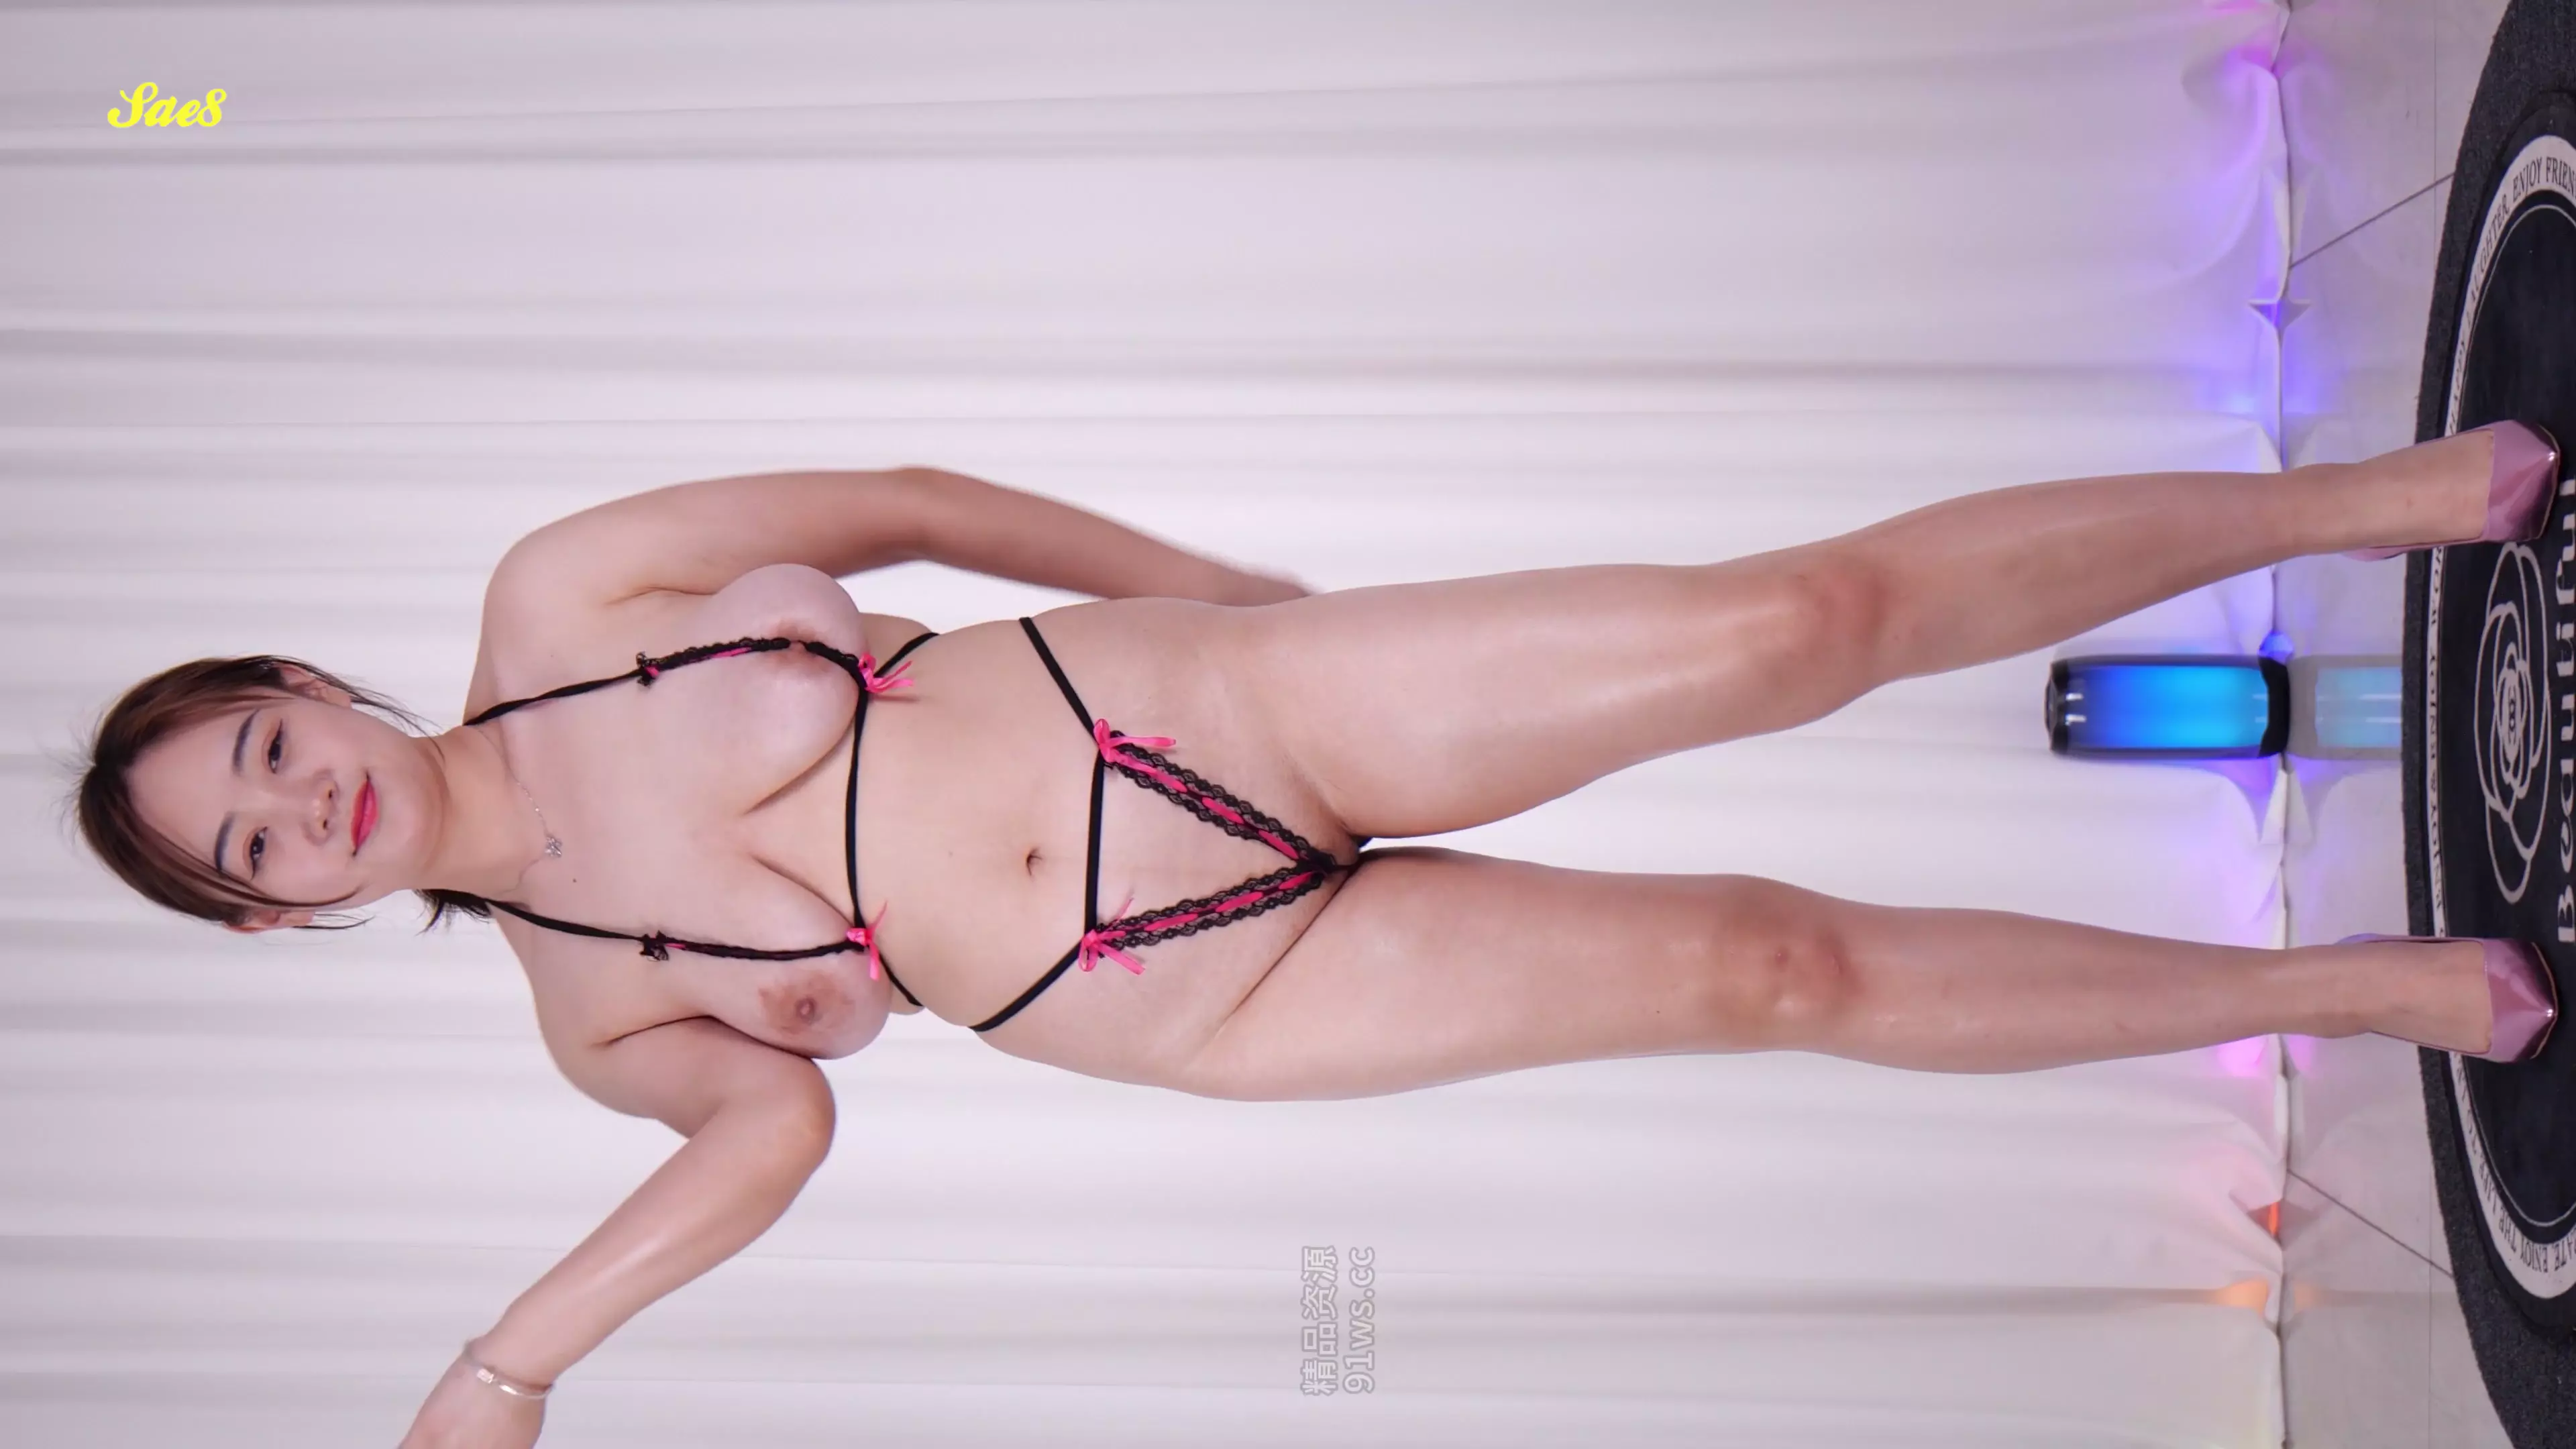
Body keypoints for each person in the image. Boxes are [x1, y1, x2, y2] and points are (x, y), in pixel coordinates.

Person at [70, 425, 2563, 1448]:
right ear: (278, 915)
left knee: (1790, 618)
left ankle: (2371, 496)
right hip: (1185, 995)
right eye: (253, 852)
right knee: (1765, 969)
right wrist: (513, 1367)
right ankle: (2344, 995)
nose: (304, 807)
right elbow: (771, 1140)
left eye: (265, 749)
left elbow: (906, 501)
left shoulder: (557, 596)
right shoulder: (589, 1014)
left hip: (1197, 701)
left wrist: (1212, 584)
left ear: (304, 683)